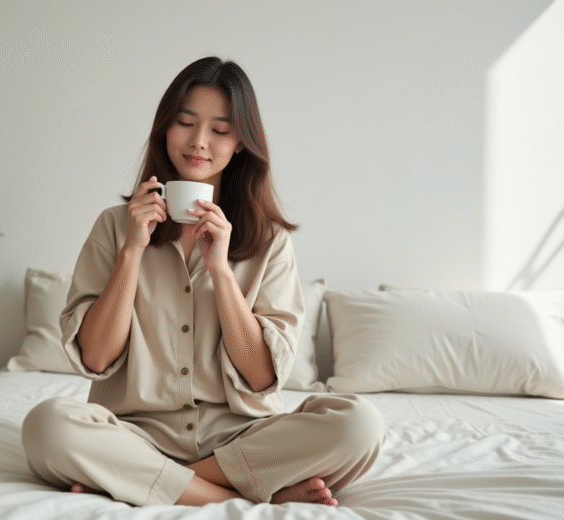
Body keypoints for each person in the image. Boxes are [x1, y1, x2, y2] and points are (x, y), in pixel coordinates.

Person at [22, 56, 384, 507]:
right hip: (134, 435)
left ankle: (146, 482)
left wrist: (221, 270)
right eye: (186, 123)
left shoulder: (269, 240)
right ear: (165, 129)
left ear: (241, 142)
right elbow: (95, 357)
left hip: (242, 437)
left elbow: (261, 376)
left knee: (359, 424)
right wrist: (133, 249)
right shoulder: (115, 227)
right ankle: (243, 494)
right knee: (47, 426)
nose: (198, 142)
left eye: (220, 129)